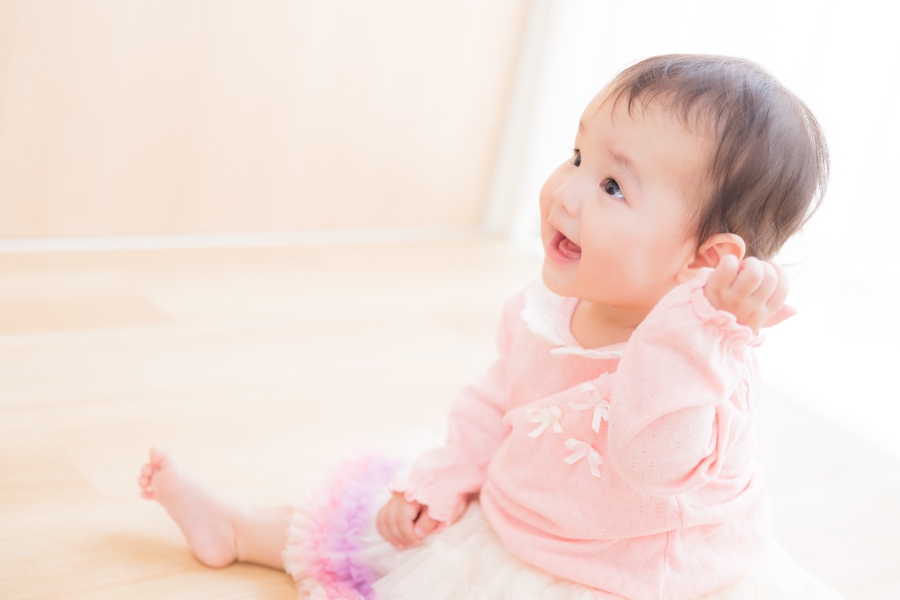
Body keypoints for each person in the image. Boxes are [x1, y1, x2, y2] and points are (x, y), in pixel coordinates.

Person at [137, 55, 842, 599]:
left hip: (627, 578)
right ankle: (235, 528)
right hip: (516, 517)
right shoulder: (548, 312)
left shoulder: (709, 365)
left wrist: (695, 327)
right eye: (577, 157)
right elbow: (498, 398)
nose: (566, 192)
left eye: (612, 186)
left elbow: (651, 462)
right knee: (376, 526)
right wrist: (447, 475)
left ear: (705, 261)